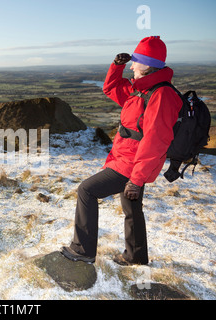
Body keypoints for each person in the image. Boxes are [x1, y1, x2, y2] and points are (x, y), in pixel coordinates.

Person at [61, 36, 183, 266]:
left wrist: (136, 180)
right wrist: (116, 67)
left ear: (146, 65)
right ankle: (136, 257)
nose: (132, 65)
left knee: (87, 190)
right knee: (131, 207)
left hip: (132, 164)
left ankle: (82, 250)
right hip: (126, 159)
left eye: (135, 61)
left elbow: (155, 141)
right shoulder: (140, 89)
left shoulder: (161, 95)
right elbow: (111, 88)